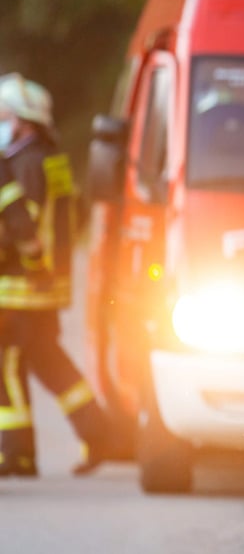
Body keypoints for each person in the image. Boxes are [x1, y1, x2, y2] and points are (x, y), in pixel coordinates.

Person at [0, 73, 112, 477]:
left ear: (22, 120)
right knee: (48, 361)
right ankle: (100, 433)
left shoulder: (24, 163)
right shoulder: (54, 159)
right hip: (46, 286)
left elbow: (22, 227)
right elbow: (72, 216)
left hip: (21, 287)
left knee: (6, 365)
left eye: (4, 116)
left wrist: (28, 259)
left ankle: (16, 453)